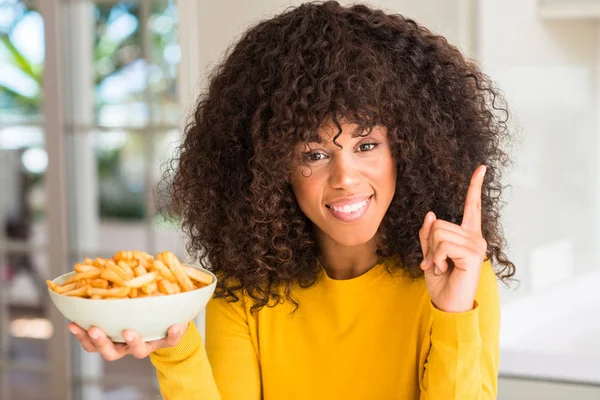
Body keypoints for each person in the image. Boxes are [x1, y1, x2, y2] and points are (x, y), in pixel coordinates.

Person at [69, 1, 515, 398]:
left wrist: (451, 312)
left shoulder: (460, 276)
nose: (344, 177)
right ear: (270, 166)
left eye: (366, 145)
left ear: (407, 150)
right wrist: (174, 345)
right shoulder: (250, 284)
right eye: (314, 154)